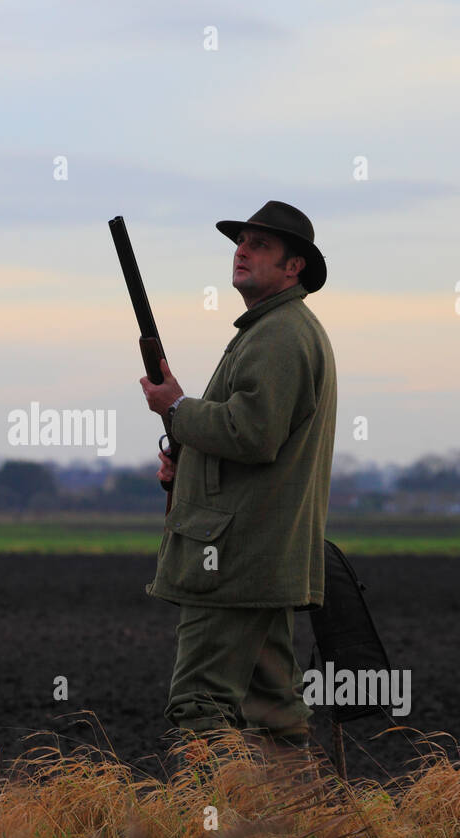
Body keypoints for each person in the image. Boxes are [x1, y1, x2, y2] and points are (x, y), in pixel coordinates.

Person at [139, 200, 337, 753]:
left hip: (232, 559)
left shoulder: (278, 334)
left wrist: (176, 409)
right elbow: (251, 438)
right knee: (275, 709)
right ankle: (292, 829)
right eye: (240, 242)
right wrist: (187, 465)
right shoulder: (278, 329)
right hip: (260, 557)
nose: (242, 251)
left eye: (260, 245)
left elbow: (253, 433)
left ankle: (210, 834)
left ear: (294, 266)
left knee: (199, 706)